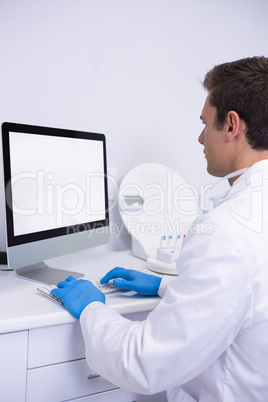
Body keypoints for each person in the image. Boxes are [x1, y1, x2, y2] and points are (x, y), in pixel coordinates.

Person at [51, 56, 268, 401]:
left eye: (204, 123)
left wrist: (92, 308)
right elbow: (251, 299)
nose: (199, 138)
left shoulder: (228, 232)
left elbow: (144, 364)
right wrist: (167, 286)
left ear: (231, 126)